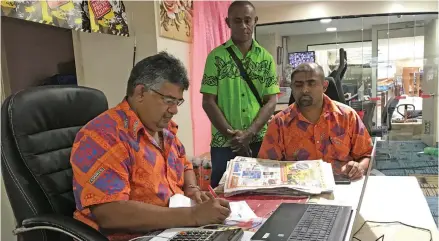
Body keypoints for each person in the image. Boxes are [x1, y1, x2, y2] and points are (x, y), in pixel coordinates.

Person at [71, 52, 231, 241]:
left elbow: (183, 162)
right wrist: (193, 216)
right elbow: (110, 213)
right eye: (169, 101)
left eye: (178, 102)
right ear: (140, 93)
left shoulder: (165, 129)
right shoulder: (103, 136)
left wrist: (192, 189)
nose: (174, 110)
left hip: (170, 227)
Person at [201, 0, 280, 188]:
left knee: (261, 190)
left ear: (255, 21)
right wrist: (233, 136)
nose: (243, 25)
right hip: (224, 144)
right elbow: (208, 101)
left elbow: (271, 100)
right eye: (237, 21)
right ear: (228, 23)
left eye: (247, 20)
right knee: (223, 192)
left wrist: (249, 133)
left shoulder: (266, 59)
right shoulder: (216, 57)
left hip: (258, 141)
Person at [258, 63, 372, 181]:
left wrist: (359, 167)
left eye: (311, 83)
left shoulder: (347, 117)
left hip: (341, 185)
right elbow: (267, 166)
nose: (305, 90)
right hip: (298, 189)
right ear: (292, 87)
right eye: (298, 85)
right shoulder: (279, 123)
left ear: (324, 86)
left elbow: (367, 155)